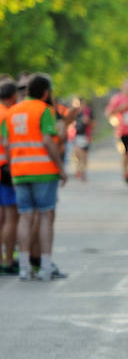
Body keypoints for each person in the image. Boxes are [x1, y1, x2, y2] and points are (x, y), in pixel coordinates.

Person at [0, 74, 67, 281]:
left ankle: (24, 267)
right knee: (45, 216)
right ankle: (46, 266)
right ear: (46, 92)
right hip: (43, 171)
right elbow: (48, 140)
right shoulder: (43, 110)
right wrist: (60, 168)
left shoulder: (12, 112)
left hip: (19, 172)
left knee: (25, 216)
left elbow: (6, 142)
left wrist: (12, 165)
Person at [0, 80, 19, 275]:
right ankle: (7, 259)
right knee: (9, 216)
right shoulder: (7, 115)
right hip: (4, 170)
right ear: (13, 96)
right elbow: (8, 145)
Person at [68, 97, 93, 181]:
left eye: (81, 104)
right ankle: (79, 169)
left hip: (85, 136)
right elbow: (66, 123)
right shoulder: (72, 113)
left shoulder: (88, 112)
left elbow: (94, 123)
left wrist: (88, 121)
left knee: (84, 155)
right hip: (75, 136)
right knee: (77, 153)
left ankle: (82, 170)